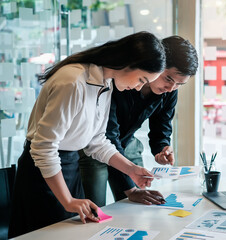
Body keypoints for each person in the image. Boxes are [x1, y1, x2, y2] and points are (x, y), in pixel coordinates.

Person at [8, 31, 166, 238]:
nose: (138, 88)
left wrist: (131, 170)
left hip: (70, 167)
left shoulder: (106, 83)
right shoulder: (72, 81)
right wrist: (67, 200)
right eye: (141, 79)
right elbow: (44, 147)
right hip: (43, 175)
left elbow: (96, 141)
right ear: (127, 62)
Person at [79, 36, 198, 206]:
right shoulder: (121, 81)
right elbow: (108, 133)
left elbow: (162, 126)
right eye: (168, 79)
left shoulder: (170, 91)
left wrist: (161, 148)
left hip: (128, 142)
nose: (171, 88)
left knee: (139, 205)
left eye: (180, 84)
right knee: (96, 208)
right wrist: (131, 190)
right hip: (95, 144)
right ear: (157, 63)